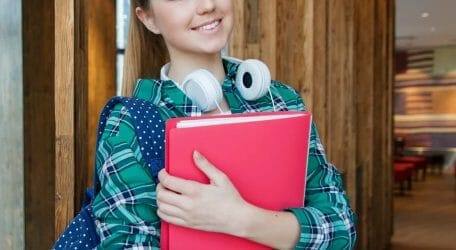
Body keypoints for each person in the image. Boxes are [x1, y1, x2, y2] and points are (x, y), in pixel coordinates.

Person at [90, 0, 357, 249]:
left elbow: (341, 228)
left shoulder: (281, 101)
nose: (207, 5)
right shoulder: (131, 124)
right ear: (148, 19)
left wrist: (240, 219)